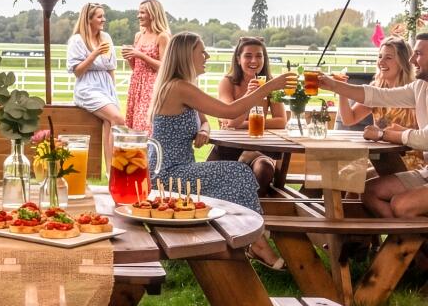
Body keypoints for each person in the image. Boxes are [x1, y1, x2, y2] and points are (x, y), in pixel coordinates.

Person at [148, 32, 295, 269]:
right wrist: (270, 87)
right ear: (187, 56)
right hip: (167, 175)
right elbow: (228, 112)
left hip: (176, 168)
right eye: (202, 52)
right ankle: (254, 240)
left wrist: (203, 130)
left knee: (236, 173)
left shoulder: (182, 87)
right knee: (238, 173)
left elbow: (205, 119)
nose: (206, 56)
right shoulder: (179, 87)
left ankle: (249, 236)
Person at [318, 33, 428, 221]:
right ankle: (402, 244)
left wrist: (383, 134)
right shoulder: (420, 87)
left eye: (418, 54)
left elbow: (425, 139)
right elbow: (376, 95)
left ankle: (410, 247)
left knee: (400, 205)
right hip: (425, 173)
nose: (412, 59)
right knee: (368, 191)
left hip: (412, 161)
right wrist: (334, 85)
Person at [333, 36, 422, 170]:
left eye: (388, 58)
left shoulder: (415, 90)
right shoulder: (377, 88)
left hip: (410, 160)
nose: (381, 62)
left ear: (402, 62)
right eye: (380, 57)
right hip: (380, 159)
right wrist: (341, 89)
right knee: (340, 174)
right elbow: (349, 119)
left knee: (352, 178)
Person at [217, 37, 286, 193]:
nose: (254, 60)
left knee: (264, 168)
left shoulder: (271, 84)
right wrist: (250, 95)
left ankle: (257, 209)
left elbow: (281, 121)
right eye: (248, 55)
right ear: (238, 59)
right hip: (229, 147)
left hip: (259, 147)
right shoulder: (227, 83)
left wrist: (246, 124)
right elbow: (230, 120)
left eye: (259, 55)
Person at [67, 3, 125, 166]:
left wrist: (113, 91)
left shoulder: (106, 38)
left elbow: (111, 67)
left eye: (103, 16)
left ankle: (110, 172)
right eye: (99, 17)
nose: (103, 20)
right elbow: (77, 72)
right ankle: (116, 168)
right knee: (118, 119)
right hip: (87, 87)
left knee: (110, 123)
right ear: (88, 19)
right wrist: (94, 54)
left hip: (106, 88)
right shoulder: (77, 40)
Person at [123, 0, 171, 133]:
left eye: (142, 13)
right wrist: (130, 57)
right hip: (137, 85)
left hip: (152, 86)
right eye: (139, 12)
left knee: (147, 126)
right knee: (135, 127)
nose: (139, 16)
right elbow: (136, 67)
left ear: (153, 14)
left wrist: (140, 55)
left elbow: (165, 67)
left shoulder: (163, 37)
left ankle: (151, 154)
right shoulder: (139, 35)